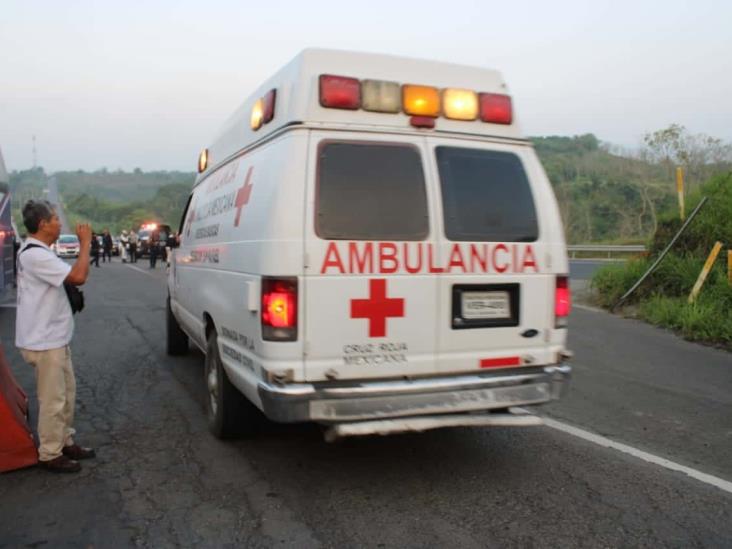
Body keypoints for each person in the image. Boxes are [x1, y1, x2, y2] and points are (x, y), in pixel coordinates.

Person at [15, 199, 95, 473]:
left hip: (54, 338)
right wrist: (85, 244)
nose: (60, 223)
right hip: (44, 340)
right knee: (53, 398)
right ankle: (50, 453)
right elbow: (79, 275)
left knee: (67, 394)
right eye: (55, 219)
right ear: (43, 225)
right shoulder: (35, 254)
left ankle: (64, 440)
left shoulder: (40, 251)